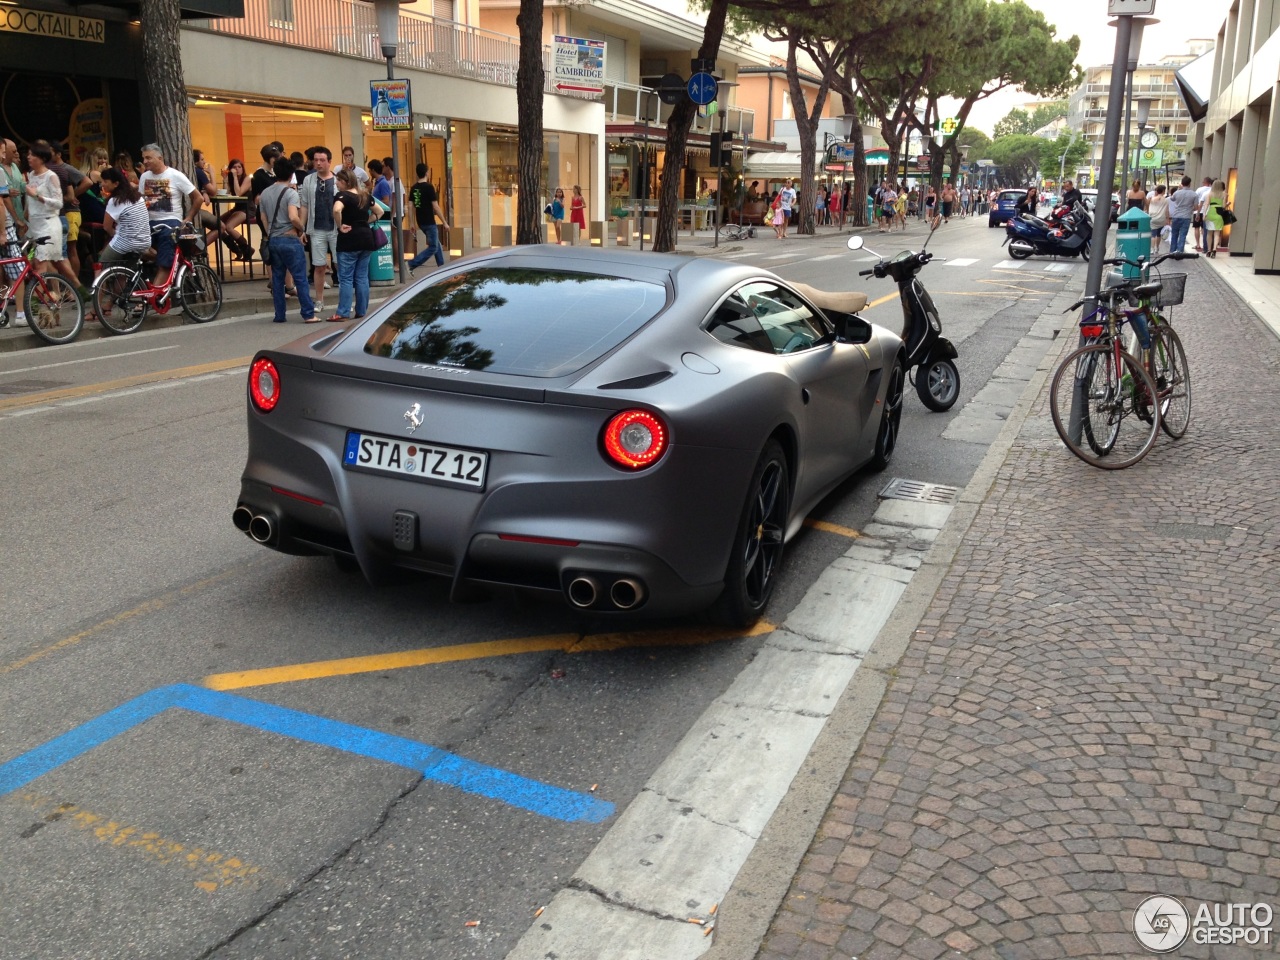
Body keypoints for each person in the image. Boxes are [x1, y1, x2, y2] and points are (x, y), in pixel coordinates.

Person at [257, 156, 315, 323]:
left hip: (273, 239)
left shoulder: (265, 193)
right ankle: (308, 314)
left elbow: (263, 217)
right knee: (300, 278)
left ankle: (279, 315)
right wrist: (301, 229)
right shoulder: (291, 193)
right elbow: (293, 217)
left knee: (277, 279)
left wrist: (270, 231)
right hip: (289, 239)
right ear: (291, 175)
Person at [137, 142, 202, 284]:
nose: (145, 161)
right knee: (135, 249)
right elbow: (141, 200)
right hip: (149, 223)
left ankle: (153, 296)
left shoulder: (175, 175)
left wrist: (189, 217)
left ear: (160, 158)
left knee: (165, 259)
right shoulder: (144, 177)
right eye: (144, 158)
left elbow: (198, 198)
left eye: (148, 158)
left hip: (170, 222)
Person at [329, 167, 377, 322]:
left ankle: (343, 312)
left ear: (345, 182)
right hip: (366, 238)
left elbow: (337, 210)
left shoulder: (342, 196)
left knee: (346, 278)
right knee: (362, 277)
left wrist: (340, 225)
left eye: (338, 180)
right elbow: (380, 212)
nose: (336, 183)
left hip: (349, 239)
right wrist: (365, 222)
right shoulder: (364, 195)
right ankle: (362, 311)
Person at [298, 145, 339, 307]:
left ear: (329, 162)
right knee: (319, 265)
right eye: (316, 160)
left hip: (336, 229)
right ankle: (319, 300)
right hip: (316, 229)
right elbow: (305, 205)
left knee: (340, 264)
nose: (319, 163)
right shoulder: (309, 180)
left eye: (322, 160)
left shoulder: (338, 180)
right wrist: (301, 228)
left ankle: (345, 299)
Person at [23, 141, 66, 291]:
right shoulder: (31, 175)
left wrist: (38, 197)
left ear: (41, 158)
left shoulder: (51, 176)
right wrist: (24, 219)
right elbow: (29, 201)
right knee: (43, 262)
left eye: (32, 155)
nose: (28, 157)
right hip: (35, 224)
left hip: (48, 224)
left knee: (41, 264)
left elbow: (59, 203)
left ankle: (33, 303)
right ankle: (54, 296)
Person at [97, 166, 151, 266]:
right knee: (124, 269)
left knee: (101, 265)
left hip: (126, 243)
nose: (102, 184)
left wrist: (114, 234)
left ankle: (99, 281)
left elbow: (106, 227)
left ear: (116, 183)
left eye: (105, 181)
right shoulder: (137, 196)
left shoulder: (115, 201)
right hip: (144, 241)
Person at [408, 163, 449, 273]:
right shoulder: (429, 187)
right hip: (429, 221)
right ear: (427, 173)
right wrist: (444, 222)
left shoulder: (414, 188)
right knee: (433, 247)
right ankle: (411, 264)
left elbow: (411, 205)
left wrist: (411, 223)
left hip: (420, 221)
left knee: (437, 243)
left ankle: (442, 267)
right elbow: (435, 207)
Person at [220, 158, 254, 260]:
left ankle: (246, 248)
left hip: (247, 208)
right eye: (234, 167)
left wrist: (234, 177)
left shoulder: (247, 179)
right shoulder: (232, 179)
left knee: (229, 227)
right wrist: (225, 179)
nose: (237, 169)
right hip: (237, 208)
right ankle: (236, 249)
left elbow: (239, 193)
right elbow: (225, 193)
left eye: (239, 167)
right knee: (217, 224)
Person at [1167, 176, 1197, 254]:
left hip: (1176, 215)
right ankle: (1180, 251)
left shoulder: (1177, 192)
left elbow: (1172, 199)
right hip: (1186, 216)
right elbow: (1196, 207)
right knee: (1183, 235)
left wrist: (1178, 189)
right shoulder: (1194, 194)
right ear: (1190, 183)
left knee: (1174, 234)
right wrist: (1190, 209)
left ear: (1182, 183)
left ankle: (1172, 250)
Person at [1202, 179, 1227, 258]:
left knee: (1209, 233)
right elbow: (1223, 206)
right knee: (1217, 233)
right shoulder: (1224, 194)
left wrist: (1204, 214)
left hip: (1211, 213)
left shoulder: (1209, 194)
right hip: (1219, 215)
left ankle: (1209, 250)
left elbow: (1206, 204)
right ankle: (1214, 249)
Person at [1146, 183, 1170, 253]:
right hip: (1161, 219)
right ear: (1163, 191)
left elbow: (1147, 205)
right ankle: (1157, 248)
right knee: (1158, 234)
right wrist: (1167, 219)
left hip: (1153, 218)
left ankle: (1152, 249)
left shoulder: (1152, 199)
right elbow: (1167, 211)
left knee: (1153, 234)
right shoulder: (1165, 200)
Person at [1193, 176, 1213, 251]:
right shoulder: (1211, 190)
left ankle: (1198, 244)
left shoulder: (1199, 189)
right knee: (1205, 229)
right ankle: (1207, 245)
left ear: (1205, 182)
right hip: (1207, 211)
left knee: (1196, 228)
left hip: (1198, 210)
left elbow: (1195, 199)